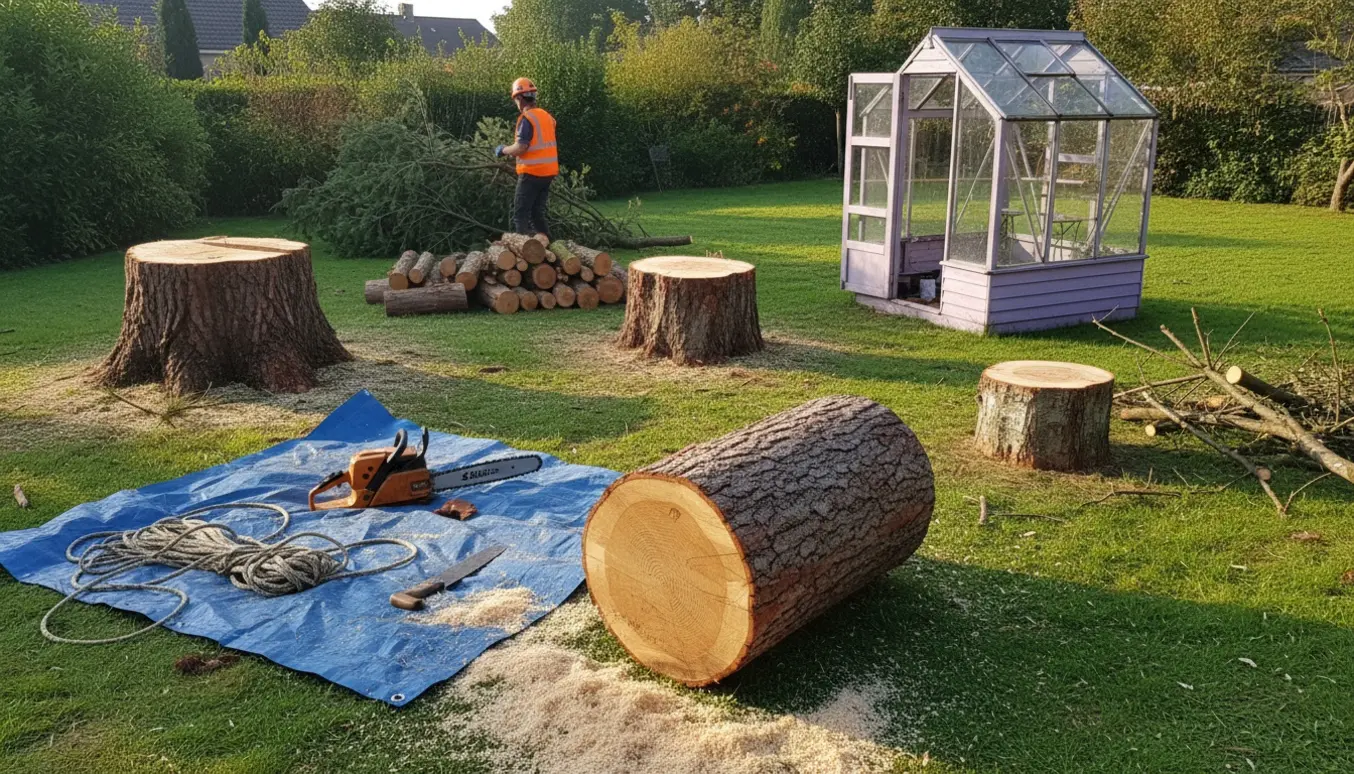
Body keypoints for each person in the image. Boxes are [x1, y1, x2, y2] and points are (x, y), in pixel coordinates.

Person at [495, 77, 558, 240]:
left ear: (520, 98)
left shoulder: (527, 119)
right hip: (548, 173)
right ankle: (552, 247)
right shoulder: (546, 116)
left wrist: (503, 150)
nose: (516, 103)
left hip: (531, 173)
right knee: (537, 213)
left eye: (516, 99)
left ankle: (524, 251)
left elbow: (521, 147)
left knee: (520, 214)